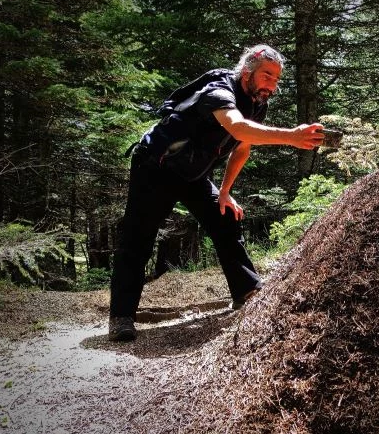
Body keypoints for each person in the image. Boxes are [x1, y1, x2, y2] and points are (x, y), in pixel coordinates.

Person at [108, 45, 324, 341]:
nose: (272, 85)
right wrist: (291, 137)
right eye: (267, 76)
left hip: (194, 174)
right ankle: (121, 317)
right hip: (156, 167)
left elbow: (242, 147)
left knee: (225, 217)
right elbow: (238, 128)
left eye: (276, 79)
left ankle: (246, 292)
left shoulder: (257, 102)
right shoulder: (219, 90)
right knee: (138, 237)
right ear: (247, 72)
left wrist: (224, 191)